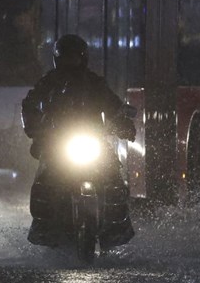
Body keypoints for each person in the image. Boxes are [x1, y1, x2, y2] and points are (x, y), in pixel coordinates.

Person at [21, 34, 137, 249]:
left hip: (93, 140)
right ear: (58, 59)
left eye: (74, 58)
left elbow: (114, 106)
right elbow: (30, 105)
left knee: (114, 176)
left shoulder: (95, 83)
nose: (70, 62)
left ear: (83, 58)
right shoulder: (48, 82)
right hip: (57, 143)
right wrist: (35, 127)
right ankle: (43, 228)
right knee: (44, 180)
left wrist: (123, 124)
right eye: (66, 58)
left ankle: (116, 229)